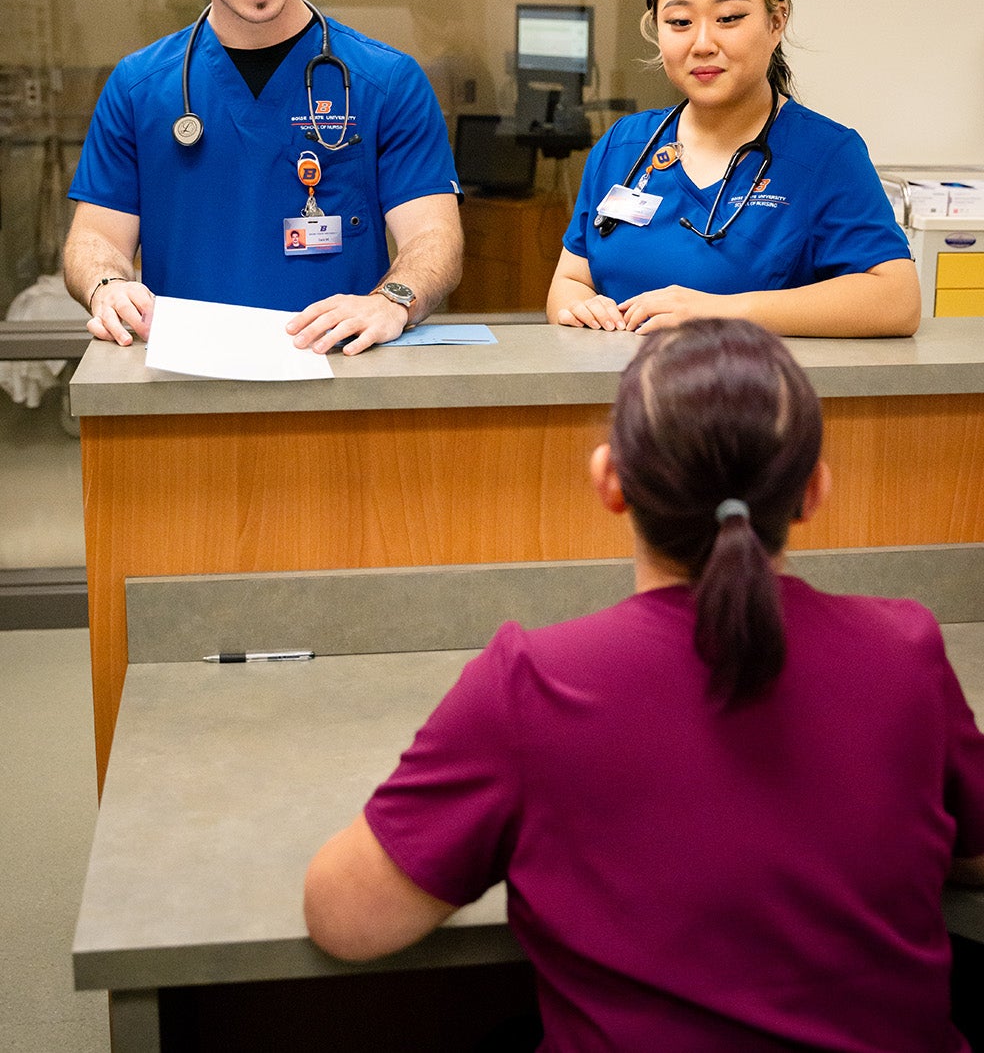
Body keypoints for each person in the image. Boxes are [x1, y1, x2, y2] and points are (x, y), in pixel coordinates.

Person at [305, 317, 984, 1052]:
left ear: (610, 482)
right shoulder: (906, 652)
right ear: (814, 490)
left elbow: (349, 923)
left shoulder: (535, 684)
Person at [63, 0, 463, 357]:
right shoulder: (139, 88)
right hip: (185, 381)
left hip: (338, 377)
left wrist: (393, 299)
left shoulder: (386, 82)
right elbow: (96, 240)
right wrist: (107, 286)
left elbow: (433, 237)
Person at [547, 0, 920, 338]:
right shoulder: (624, 145)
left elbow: (896, 301)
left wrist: (719, 312)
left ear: (776, 22)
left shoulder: (826, 154)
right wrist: (579, 306)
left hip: (747, 395)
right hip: (619, 395)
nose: (702, 43)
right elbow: (569, 282)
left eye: (729, 19)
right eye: (679, 21)